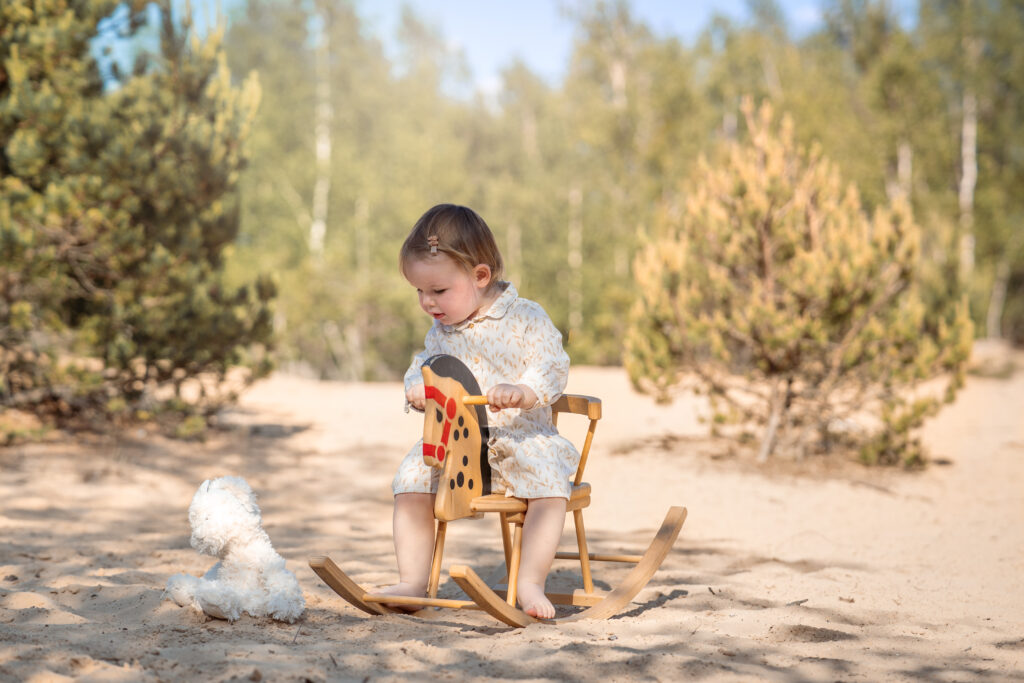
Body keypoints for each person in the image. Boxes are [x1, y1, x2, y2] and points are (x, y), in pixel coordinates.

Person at [375, 203, 579, 619]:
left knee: (548, 484)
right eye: (419, 291)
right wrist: (417, 388)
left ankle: (530, 581)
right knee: (411, 479)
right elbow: (424, 364)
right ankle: (413, 579)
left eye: (438, 291)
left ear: (480, 276)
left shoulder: (525, 317)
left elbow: (552, 364)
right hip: (457, 442)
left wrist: (523, 390)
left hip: (520, 438)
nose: (428, 303)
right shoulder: (442, 331)